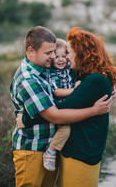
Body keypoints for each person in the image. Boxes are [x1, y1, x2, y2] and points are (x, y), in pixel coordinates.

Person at [10, 26, 113, 187]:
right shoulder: (28, 79)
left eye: (55, 52)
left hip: (51, 148)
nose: (53, 57)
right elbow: (54, 115)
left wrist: (110, 85)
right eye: (48, 53)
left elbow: (88, 81)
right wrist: (94, 110)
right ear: (31, 51)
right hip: (32, 147)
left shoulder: (46, 70)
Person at [43, 38, 81, 171]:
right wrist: (75, 90)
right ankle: (51, 151)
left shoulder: (70, 69)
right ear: (52, 57)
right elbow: (57, 92)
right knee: (66, 129)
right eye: (57, 57)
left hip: (71, 106)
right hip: (59, 107)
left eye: (64, 56)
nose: (60, 60)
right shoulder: (52, 73)